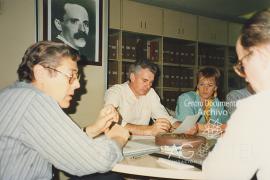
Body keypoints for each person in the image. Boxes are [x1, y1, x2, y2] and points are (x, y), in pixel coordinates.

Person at [0, 41, 130, 180]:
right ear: (40, 73)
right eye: (71, 76)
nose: (77, 84)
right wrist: (118, 137)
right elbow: (97, 160)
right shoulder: (34, 101)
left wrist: (95, 128)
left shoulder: (15, 95)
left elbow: (59, 143)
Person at [203, 9, 270, 179]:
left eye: (242, 64)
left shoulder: (255, 109)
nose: (245, 76)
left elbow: (216, 174)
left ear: (260, 55)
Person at [104, 60, 180, 136]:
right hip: (117, 141)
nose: (148, 86)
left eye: (151, 82)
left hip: (142, 143)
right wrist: (149, 130)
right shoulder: (115, 92)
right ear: (132, 77)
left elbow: (165, 117)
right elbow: (111, 122)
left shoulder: (151, 93)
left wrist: (185, 127)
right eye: (145, 81)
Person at [175, 67, 228, 134]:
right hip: (186, 140)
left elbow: (229, 124)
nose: (205, 89)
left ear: (215, 88)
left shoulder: (216, 102)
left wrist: (203, 127)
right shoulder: (186, 99)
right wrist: (218, 127)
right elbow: (186, 126)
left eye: (210, 85)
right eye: (202, 84)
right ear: (197, 85)